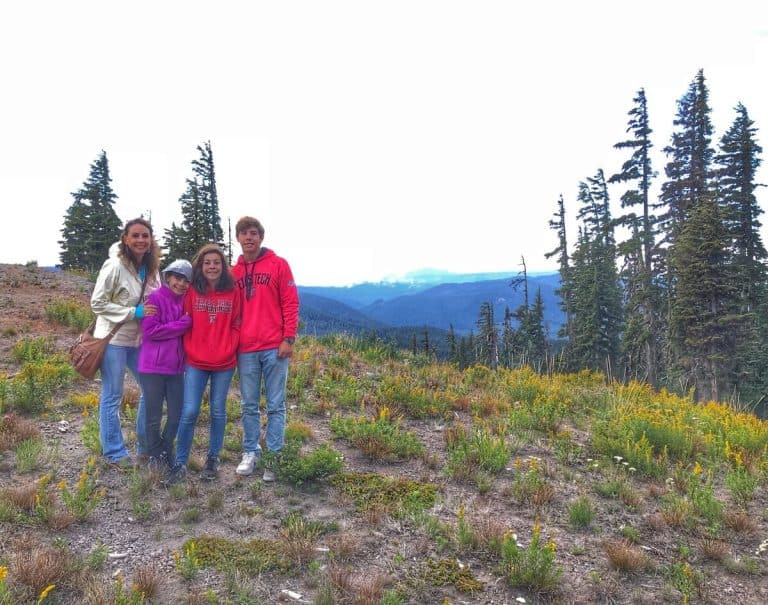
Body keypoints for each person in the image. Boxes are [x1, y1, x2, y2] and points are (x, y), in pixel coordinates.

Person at [232, 216, 299, 481]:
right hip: (245, 348)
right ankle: (251, 452)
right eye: (244, 234)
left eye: (253, 233)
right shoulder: (233, 273)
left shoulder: (278, 265)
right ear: (237, 238)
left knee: (275, 405)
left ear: (261, 237)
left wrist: (289, 338)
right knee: (248, 404)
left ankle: (274, 456)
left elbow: (291, 303)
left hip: (274, 346)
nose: (249, 238)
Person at [91, 217, 161, 468]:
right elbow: (97, 303)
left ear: (151, 240)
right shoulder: (115, 266)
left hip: (139, 340)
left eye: (145, 236)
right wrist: (134, 313)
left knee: (151, 389)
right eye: (136, 235)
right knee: (112, 395)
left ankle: (145, 445)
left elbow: (157, 300)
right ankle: (114, 452)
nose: (141, 240)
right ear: (126, 239)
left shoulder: (152, 268)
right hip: (113, 339)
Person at [168, 244, 241, 483]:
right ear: (200, 265)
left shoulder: (233, 290)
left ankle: (213, 459)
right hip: (196, 360)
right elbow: (185, 320)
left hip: (225, 361)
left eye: (217, 262)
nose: (212, 266)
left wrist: (230, 345)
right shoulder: (192, 291)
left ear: (223, 266)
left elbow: (237, 322)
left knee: (218, 411)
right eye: (207, 262)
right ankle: (180, 463)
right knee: (189, 411)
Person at [137, 259, 193, 468]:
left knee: (176, 415)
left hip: (177, 369)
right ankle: (155, 455)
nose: (181, 283)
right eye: (178, 278)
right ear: (168, 277)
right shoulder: (154, 298)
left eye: (187, 280)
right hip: (152, 367)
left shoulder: (188, 301)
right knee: (153, 416)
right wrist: (183, 324)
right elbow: (151, 331)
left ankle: (164, 451)